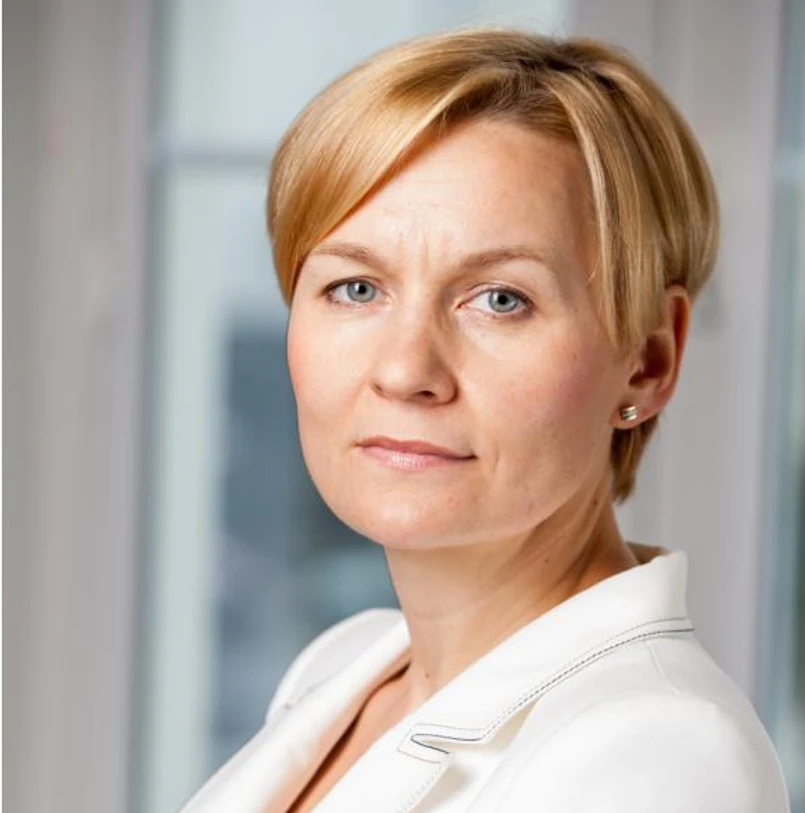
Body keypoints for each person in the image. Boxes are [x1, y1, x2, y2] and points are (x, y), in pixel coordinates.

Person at [179, 27, 790, 813]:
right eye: (356, 288)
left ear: (647, 359)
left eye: (501, 299)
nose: (405, 371)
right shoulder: (346, 666)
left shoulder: (658, 753)